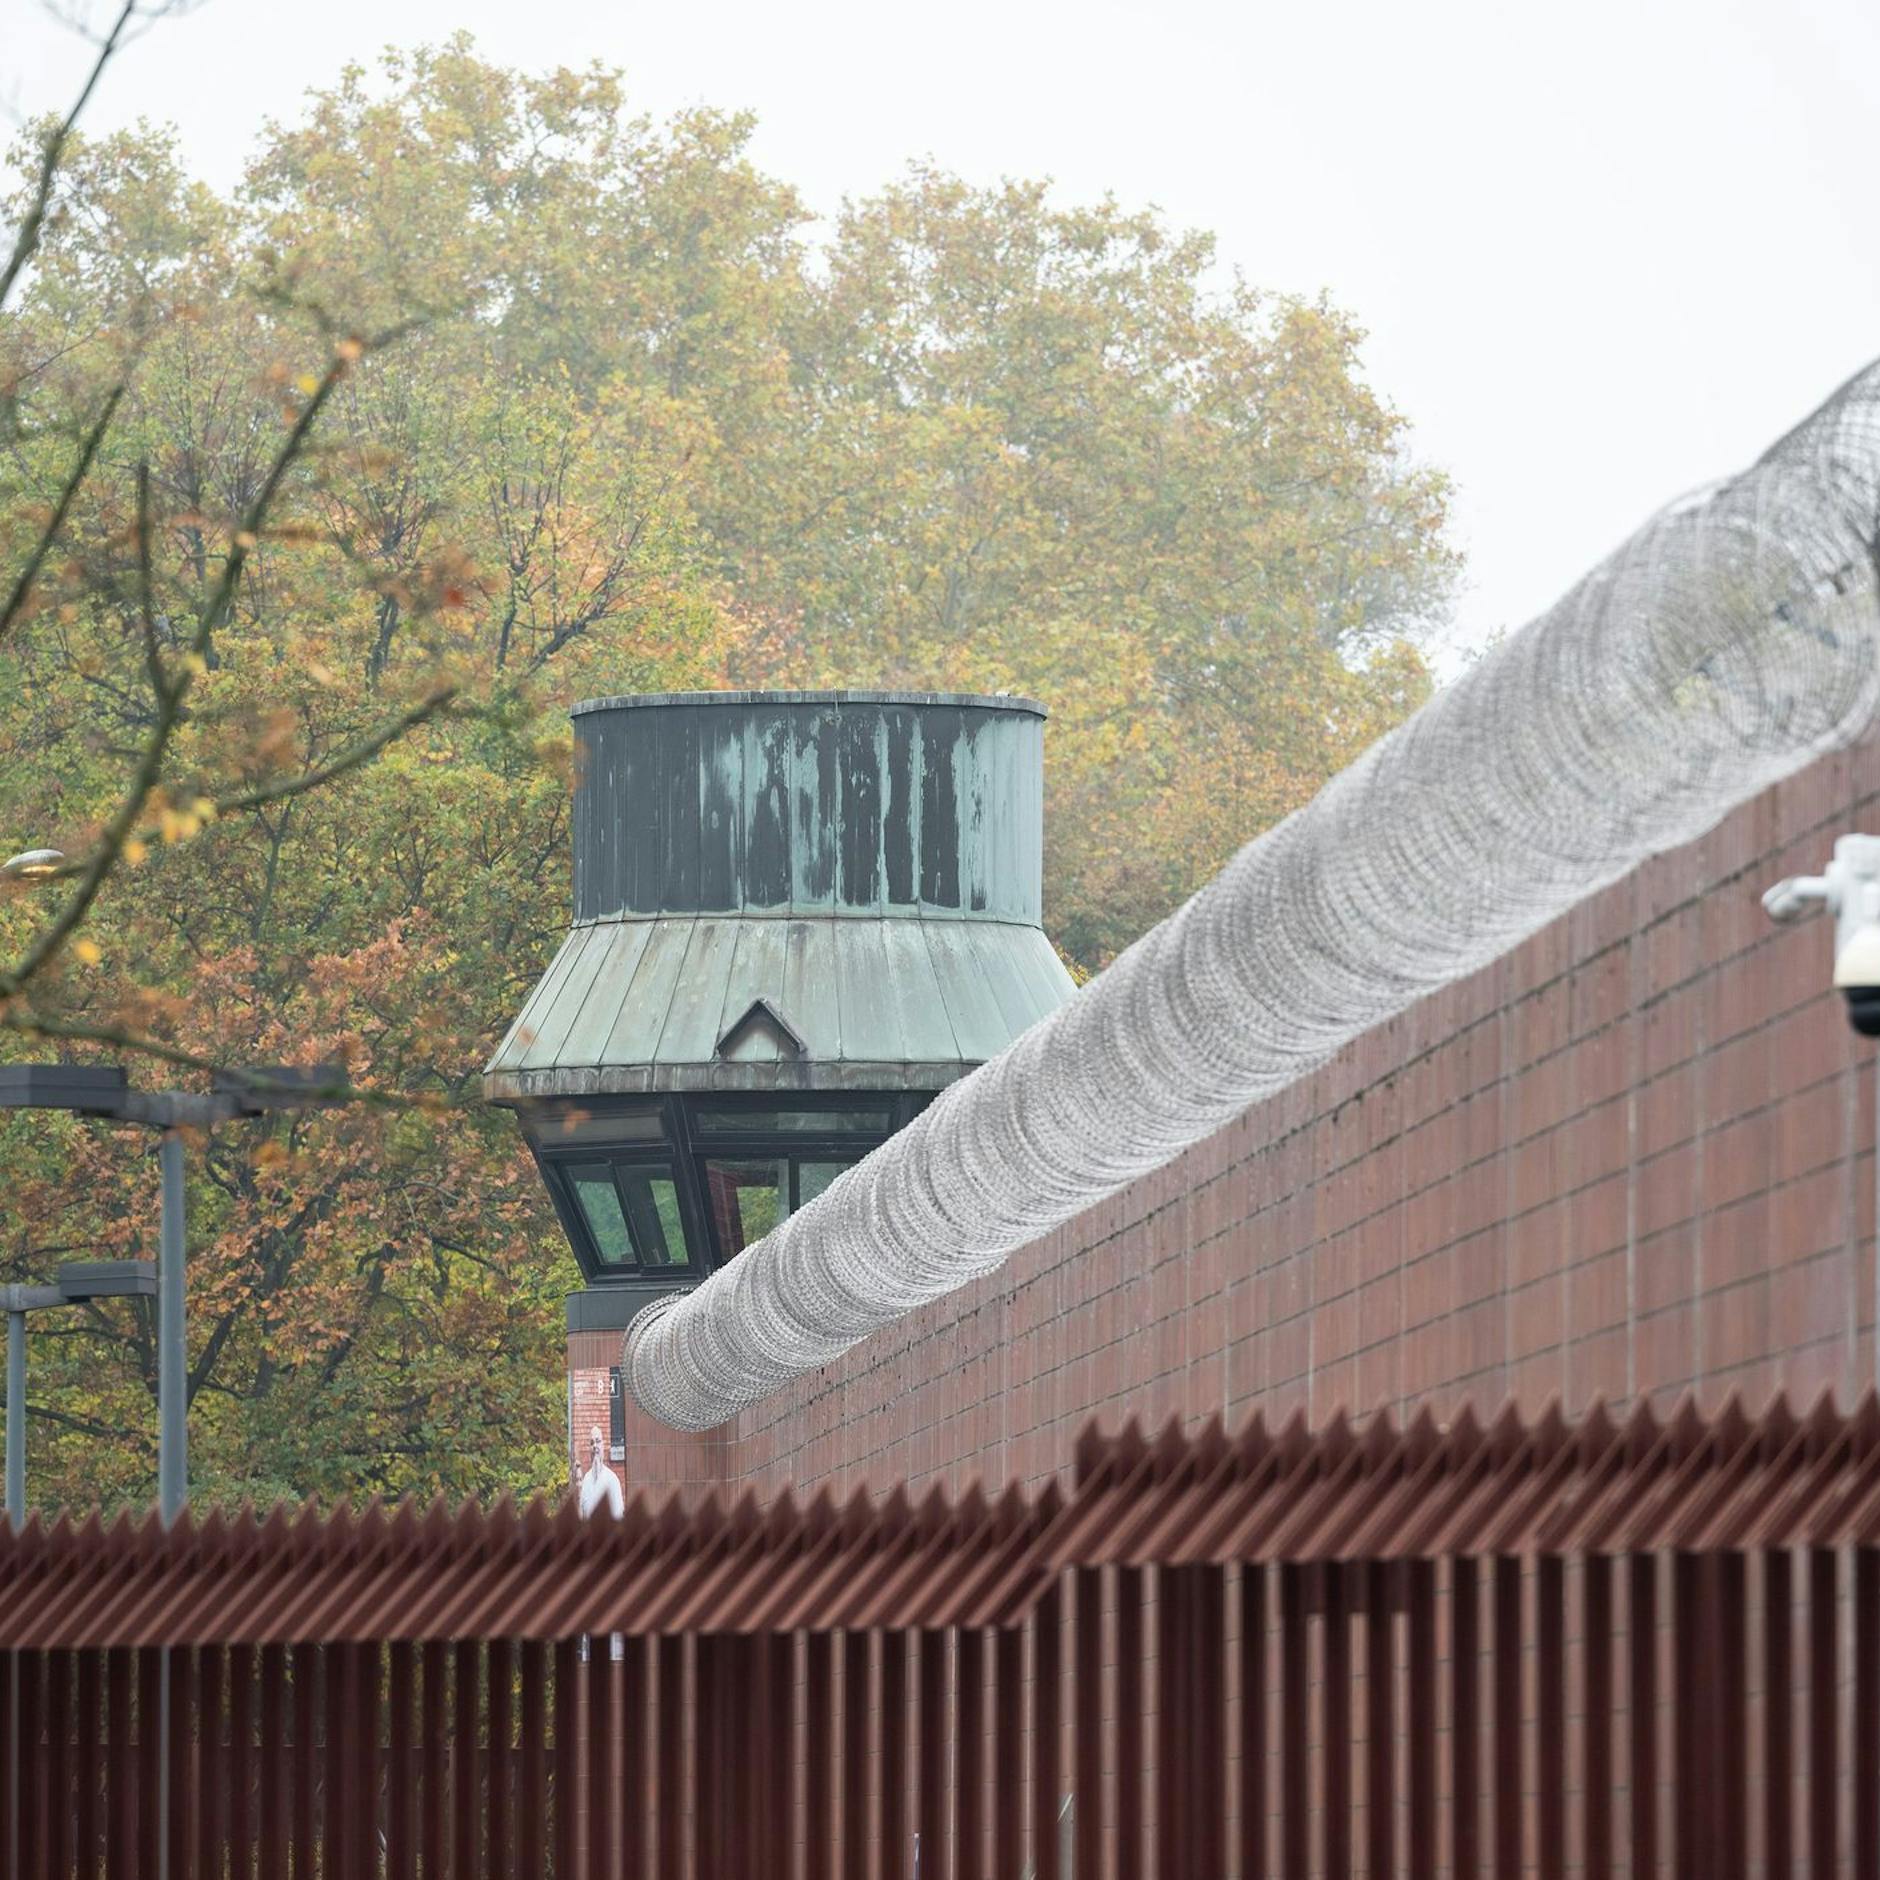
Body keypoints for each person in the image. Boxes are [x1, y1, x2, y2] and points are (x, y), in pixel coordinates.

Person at [577, 1423, 625, 1519]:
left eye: (598, 1441)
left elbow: (618, 1519)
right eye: (592, 1443)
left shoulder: (612, 1479)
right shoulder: (586, 1480)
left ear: (603, 1445)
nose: (595, 1446)